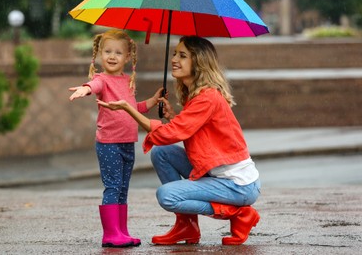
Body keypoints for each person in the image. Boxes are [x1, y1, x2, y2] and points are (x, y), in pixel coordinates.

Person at [97, 36, 261, 246]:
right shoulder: (199, 95)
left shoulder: (207, 97)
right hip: (215, 172)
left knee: (167, 196)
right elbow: (193, 132)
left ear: (199, 62)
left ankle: (237, 213)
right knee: (161, 152)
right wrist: (173, 117)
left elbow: (169, 133)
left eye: (182, 56)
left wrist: (128, 109)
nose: (174, 59)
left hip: (238, 186)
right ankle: (187, 226)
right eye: (175, 53)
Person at [68, 29, 162, 248]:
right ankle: (110, 233)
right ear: (100, 54)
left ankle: (122, 230)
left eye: (118, 53)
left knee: (123, 188)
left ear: (127, 57)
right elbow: (95, 86)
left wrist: (152, 100)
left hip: (127, 142)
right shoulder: (102, 79)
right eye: (107, 51)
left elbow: (133, 109)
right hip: (109, 143)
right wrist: (85, 88)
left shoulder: (127, 81)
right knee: (112, 186)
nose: (112, 56)